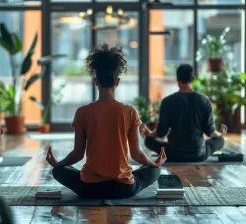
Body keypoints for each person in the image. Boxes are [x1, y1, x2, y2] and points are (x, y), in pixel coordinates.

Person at [46, 44, 167, 199]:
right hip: (123, 189)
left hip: (89, 189)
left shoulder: (83, 112)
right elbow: (136, 154)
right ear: (117, 82)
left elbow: (77, 154)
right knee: (154, 171)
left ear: (96, 81)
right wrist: (154, 164)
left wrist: (58, 164)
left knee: (58, 171)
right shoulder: (130, 111)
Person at [140, 64, 227, 162]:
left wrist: (149, 135)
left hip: (173, 153)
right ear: (193, 78)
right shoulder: (204, 100)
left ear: (177, 78)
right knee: (220, 141)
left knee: (148, 141)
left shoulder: (167, 101)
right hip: (198, 154)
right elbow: (210, 132)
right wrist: (220, 134)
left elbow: (161, 132)